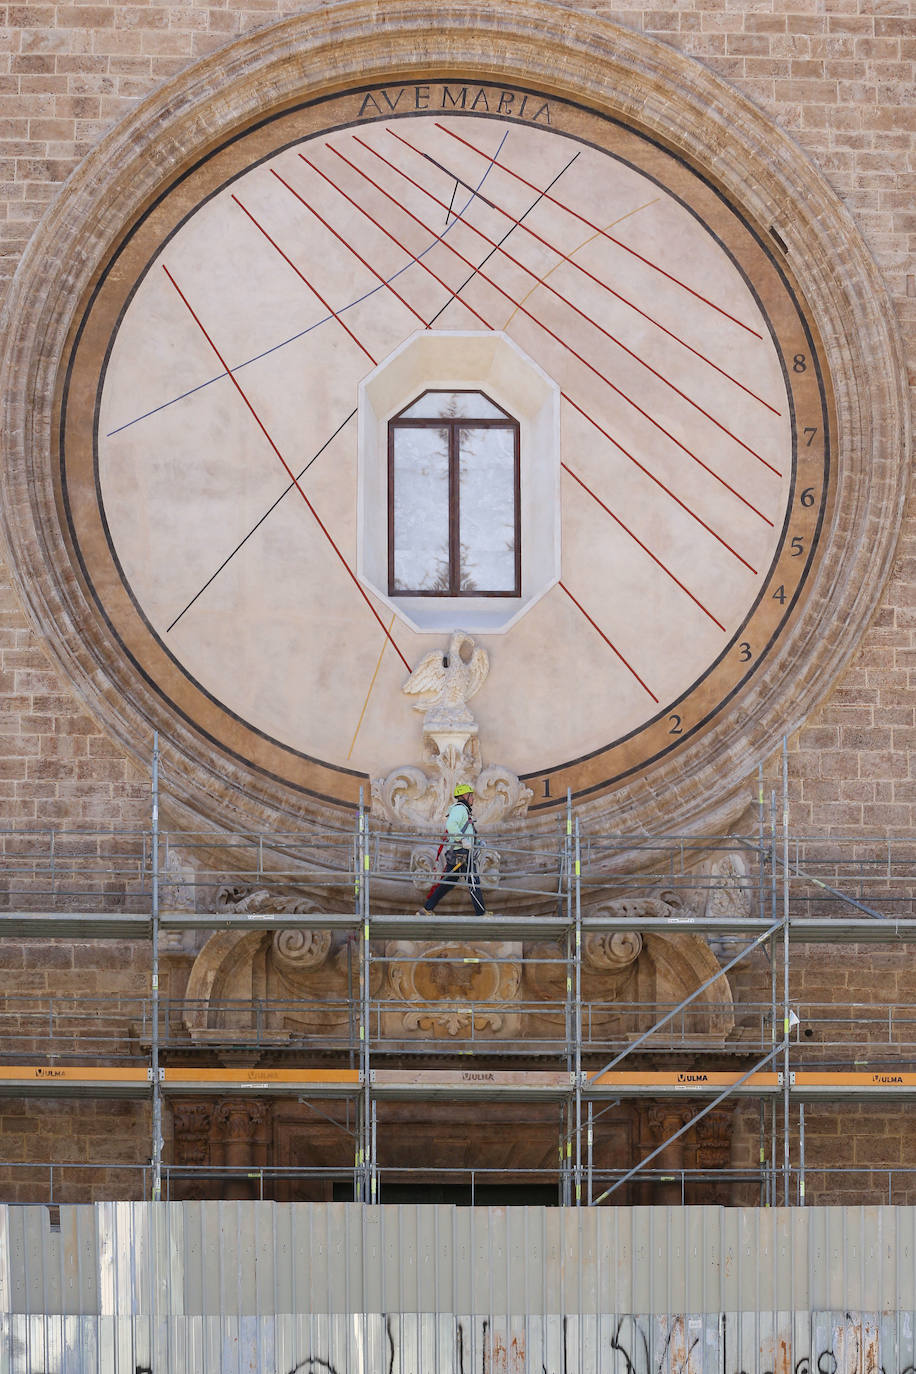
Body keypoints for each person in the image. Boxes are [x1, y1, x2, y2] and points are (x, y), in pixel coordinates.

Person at [421, 783, 488, 916]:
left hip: (460, 852)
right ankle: (481, 914)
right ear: (464, 796)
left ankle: (427, 909)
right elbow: (451, 825)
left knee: (448, 883)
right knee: (473, 881)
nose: (473, 798)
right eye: (471, 795)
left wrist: (477, 843)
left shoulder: (463, 810)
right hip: (461, 852)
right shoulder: (460, 809)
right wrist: (462, 840)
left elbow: (465, 830)